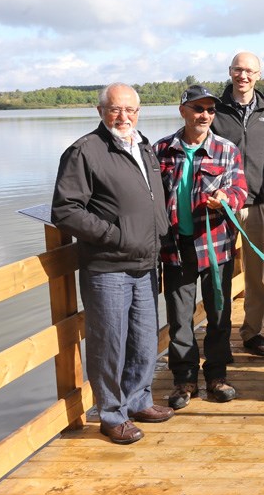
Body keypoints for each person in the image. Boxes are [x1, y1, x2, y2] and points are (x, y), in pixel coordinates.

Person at [51, 83, 174, 445]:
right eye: (115, 110)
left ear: (140, 112)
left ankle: (138, 401)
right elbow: (65, 210)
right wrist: (114, 235)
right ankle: (111, 414)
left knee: (143, 341)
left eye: (131, 110)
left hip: (145, 264)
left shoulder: (144, 146)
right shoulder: (85, 151)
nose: (124, 117)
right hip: (108, 267)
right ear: (100, 111)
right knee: (109, 343)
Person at [154, 85, 248, 409]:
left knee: (219, 314)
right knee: (180, 319)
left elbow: (239, 190)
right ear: (182, 110)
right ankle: (184, 381)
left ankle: (217, 377)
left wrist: (225, 200)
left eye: (210, 110)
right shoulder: (161, 149)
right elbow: (151, 196)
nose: (205, 115)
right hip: (175, 248)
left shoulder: (227, 149)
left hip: (216, 246)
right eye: (198, 109)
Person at [211, 52, 264, 358]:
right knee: (219, 274)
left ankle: (251, 333)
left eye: (250, 71)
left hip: (258, 203)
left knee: (256, 275)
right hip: (221, 206)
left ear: (259, 75)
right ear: (230, 72)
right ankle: (218, 336)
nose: (243, 76)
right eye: (238, 70)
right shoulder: (213, 109)